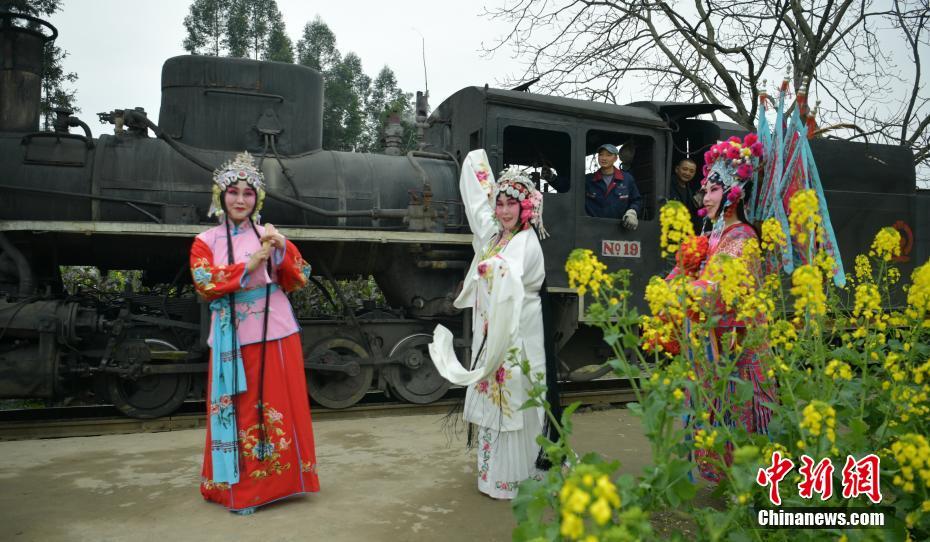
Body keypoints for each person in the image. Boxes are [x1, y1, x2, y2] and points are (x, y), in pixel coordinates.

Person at [190, 151, 320, 514]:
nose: (241, 200)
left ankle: (283, 483)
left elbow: (301, 275)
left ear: (257, 199)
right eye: (234, 192)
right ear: (221, 195)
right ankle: (241, 490)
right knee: (240, 411)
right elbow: (203, 282)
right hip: (233, 337)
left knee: (278, 407)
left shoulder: (269, 234)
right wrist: (247, 265)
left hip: (277, 333)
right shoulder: (205, 241)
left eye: (248, 193)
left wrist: (283, 250)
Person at [428, 149, 551, 500]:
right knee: (493, 400)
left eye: (512, 203)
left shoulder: (527, 242)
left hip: (517, 338)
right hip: (490, 334)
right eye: (500, 203)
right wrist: (477, 163)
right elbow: (477, 206)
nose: (505, 210)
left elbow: (509, 275)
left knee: (516, 398)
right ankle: (493, 475)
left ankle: (517, 477)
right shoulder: (495, 238)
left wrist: (490, 269)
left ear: (525, 208)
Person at [668, 135, 776, 483]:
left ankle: (745, 480)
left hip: (734, 347)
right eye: (706, 189)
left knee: (734, 408)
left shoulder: (742, 236)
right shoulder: (714, 234)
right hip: (711, 344)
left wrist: (680, 292)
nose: (706, 196)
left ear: (735, 192)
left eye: (714, 189)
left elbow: (717, 288)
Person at [584, 143, 641, 228]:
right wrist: (556, 179)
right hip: (592, 228)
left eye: (608, 155)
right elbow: (568, 190)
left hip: (619, 230)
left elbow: (636, 200)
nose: (604, 158)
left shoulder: (627, 179)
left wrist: (632, 212)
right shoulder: (588, 180)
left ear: (615, 158)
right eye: (601, 155)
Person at [668, 158, 702, 233]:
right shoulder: (668, 185)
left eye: (691, 171)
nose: (687, 173)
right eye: (685, 169)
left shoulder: (689, 190)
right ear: (677, 169)